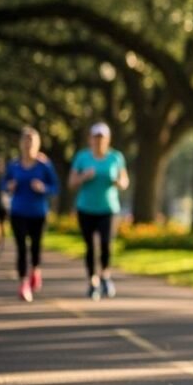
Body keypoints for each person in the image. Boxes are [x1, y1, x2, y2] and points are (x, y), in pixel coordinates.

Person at [67, 122, 129, 301]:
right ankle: (92, 282)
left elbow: (125, 181)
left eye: (102, 138)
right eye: (96, 137)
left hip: (108, 209)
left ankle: (105, 276)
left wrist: (118, 182)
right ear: (90, 139)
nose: (99, 141)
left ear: (108, 139)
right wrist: (83, 176)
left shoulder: (116, 157)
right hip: (86, 208)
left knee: (105, 244)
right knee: (90, 247)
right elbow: (71, 183)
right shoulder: (82, 157)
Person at [5, 127, 59, 302]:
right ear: (20, 144)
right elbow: (3, 184)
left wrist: (43, 188)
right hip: (18, 211)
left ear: (37, 144)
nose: (28, 145)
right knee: (21, 248)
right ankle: (23, 283)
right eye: (25, 141)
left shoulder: (45, 165)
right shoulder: (13, 165)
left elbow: (55, 187)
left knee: (35, 246)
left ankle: (35, 269)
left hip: (38, 213)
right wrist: (9, 186)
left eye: (32, 142)